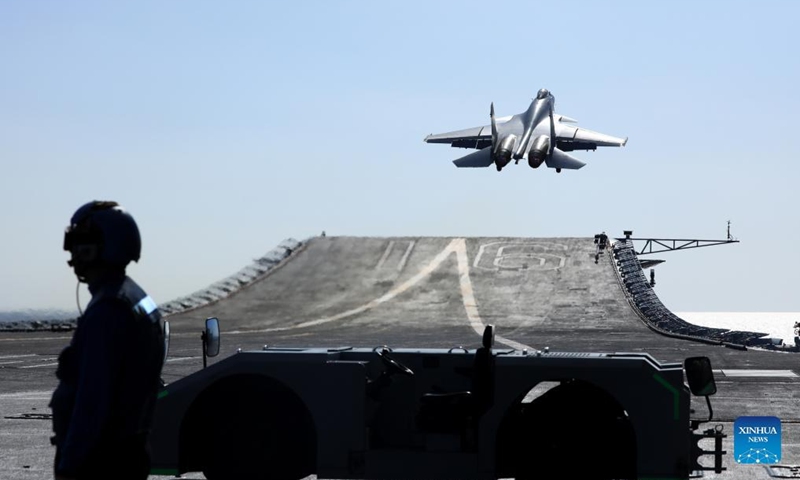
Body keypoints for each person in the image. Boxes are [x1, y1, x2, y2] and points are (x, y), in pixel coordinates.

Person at [50, 201, 165, 480]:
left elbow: (93, 400)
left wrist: (71, 465)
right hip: (128, 450)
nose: (72, 251)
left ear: (104, 245)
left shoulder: (108, 310)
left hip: (101, 460)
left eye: (80, 242)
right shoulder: (138, 298)